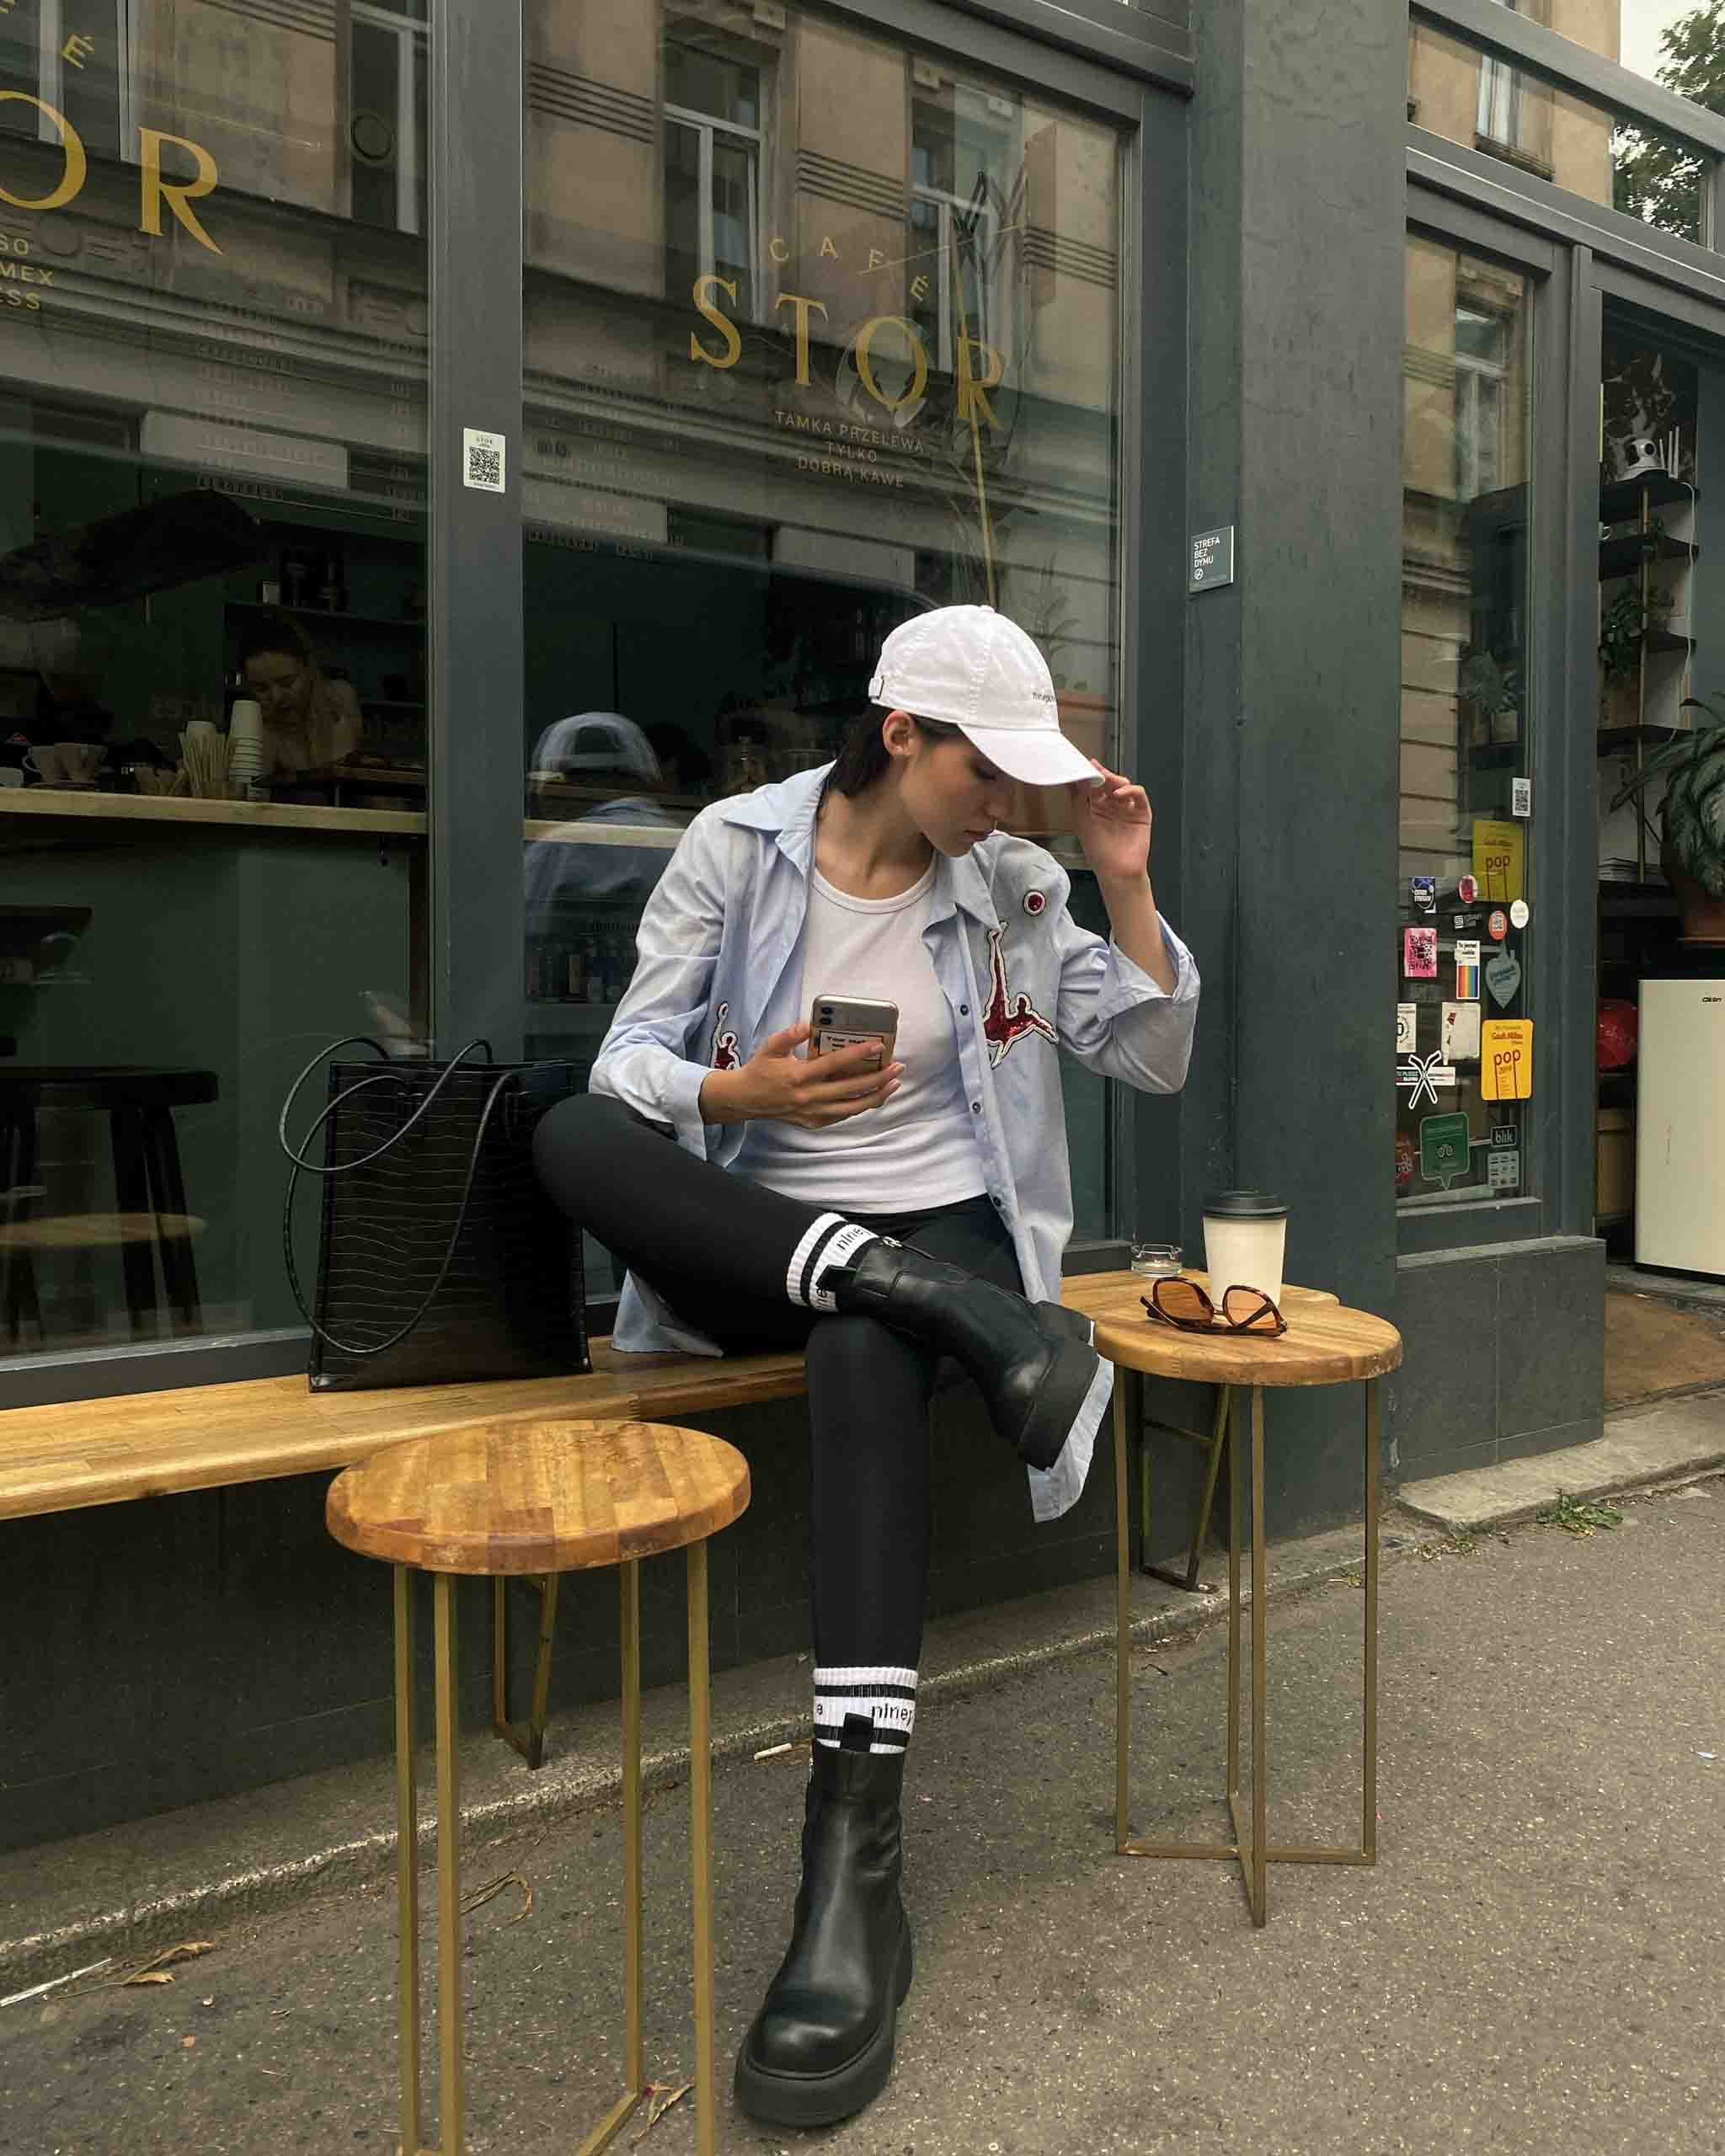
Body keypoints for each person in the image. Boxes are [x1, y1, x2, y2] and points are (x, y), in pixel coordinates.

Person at [531, 604, 1199, 2129]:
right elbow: (626, 1071)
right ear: (899, 736)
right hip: (780, 1226)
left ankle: (853, 1861)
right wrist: (733, 1084)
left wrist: (1122, 886)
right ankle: (922, 1306)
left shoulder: (1020, 880)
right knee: (565, 1134)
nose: (1011, 804)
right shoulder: (733, 849)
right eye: (987, 771)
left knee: (857, 1346)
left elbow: (1147, 1053)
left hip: (955, 1234)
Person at [238, 615, 362, 776]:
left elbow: (346, 779)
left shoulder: (339, 697)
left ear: (309, 669)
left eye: (287, 683)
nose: (276, 697)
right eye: (261, 689)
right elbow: (254, 791)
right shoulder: (256, 725)